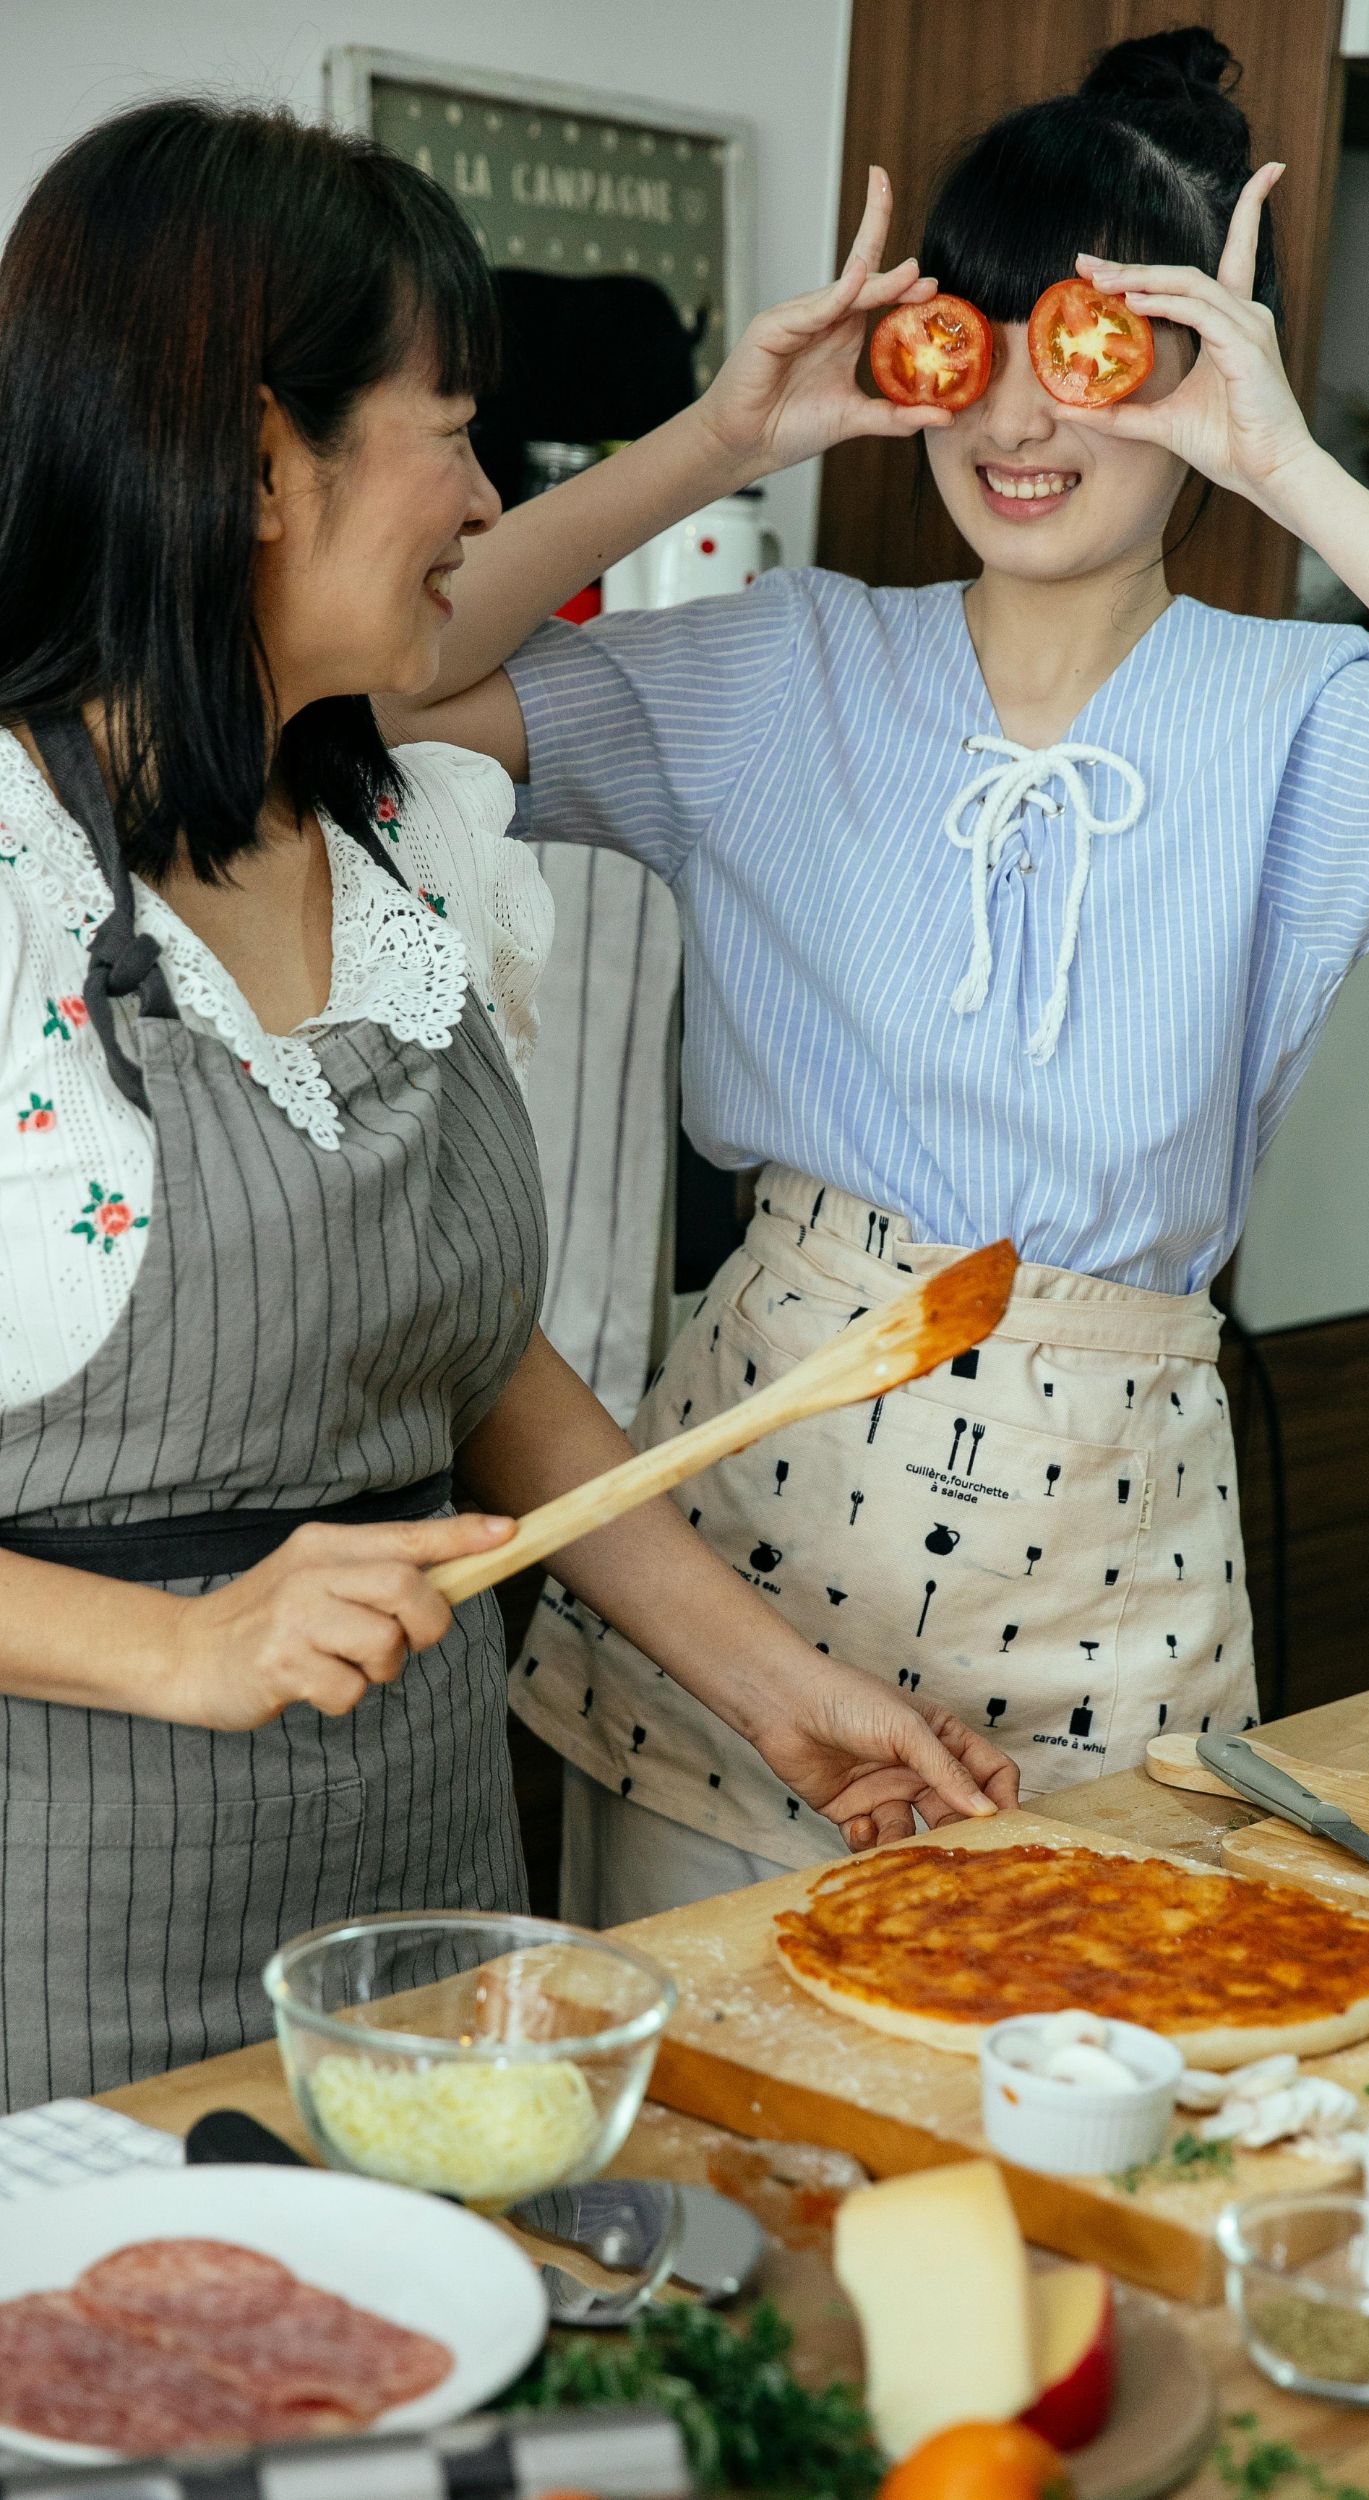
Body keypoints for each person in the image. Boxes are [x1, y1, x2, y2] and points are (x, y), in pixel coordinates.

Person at [394, 29, 1369, 1921]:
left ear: (1190, 365)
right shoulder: (779, 660)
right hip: (754, 1504)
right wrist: (721, 439)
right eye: (963, 349)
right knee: (693, 2108)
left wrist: (1293, 467)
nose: (1015, 421)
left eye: (1086, 353)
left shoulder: (1300, 715)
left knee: (1063, 2067)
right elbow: (388, 687)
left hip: (1111, 1526)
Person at [0, 100, 1016, 2111]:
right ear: (251, 453)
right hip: (71, 1961)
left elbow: (468, 1369)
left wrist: (770, 1691)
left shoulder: (393, 837)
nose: (488, 491)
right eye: (449, 425)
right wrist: (183, 1650)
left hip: (431, 1904)